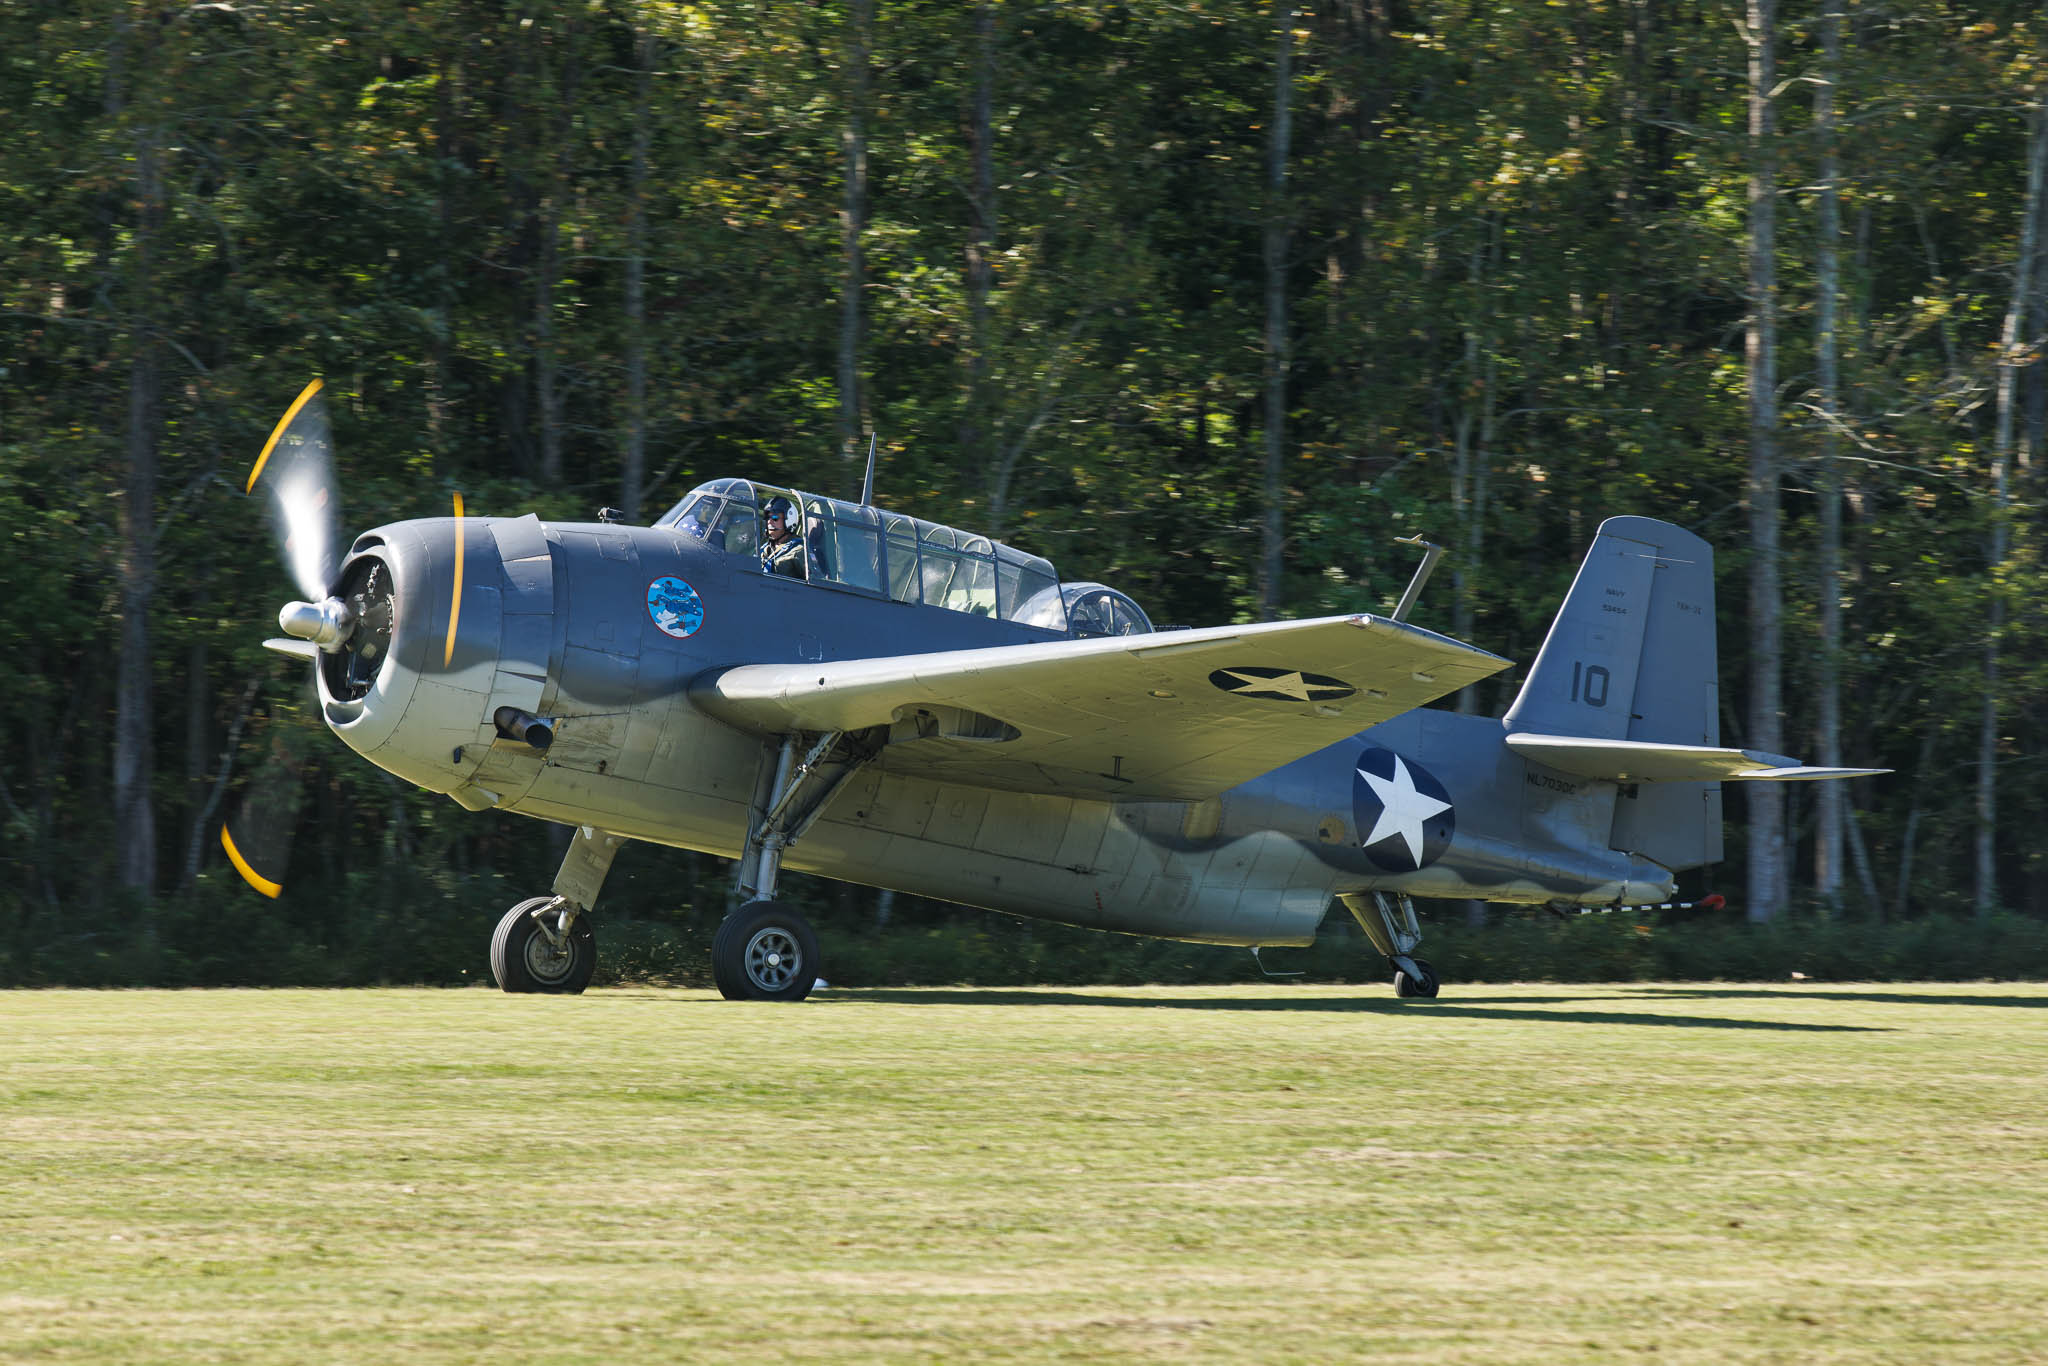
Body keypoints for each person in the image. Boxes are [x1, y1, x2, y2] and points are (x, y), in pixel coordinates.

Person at [759, 495, 807, 579]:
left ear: (789, 519)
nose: (769, 522)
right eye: (768, 517)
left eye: (775, 518)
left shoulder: (799, 551)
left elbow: (816, 582)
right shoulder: (765, 549)